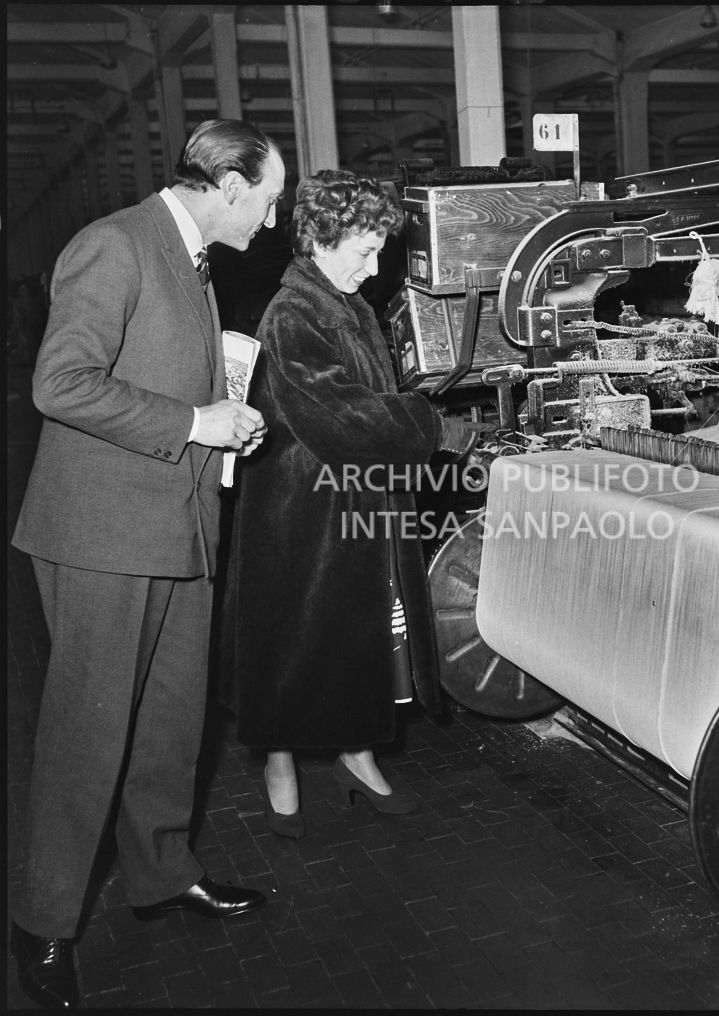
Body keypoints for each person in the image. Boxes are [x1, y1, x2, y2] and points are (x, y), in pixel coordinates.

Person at [9, 119, 285, 1010]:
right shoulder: (115, 245)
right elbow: (62, 385)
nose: (274, 221)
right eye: (271, 199)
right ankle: (43, 921)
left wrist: (221, 419)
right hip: (100, 536)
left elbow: (166, 383)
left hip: (178, 528)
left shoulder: (191, 256)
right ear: (230, 184)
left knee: (170, 722)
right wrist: (192, 425)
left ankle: (163, 874)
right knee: (87, 734)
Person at [219, 169, 479, 838]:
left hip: (354, 505)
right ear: (319, 239)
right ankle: (280, 763)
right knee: (294, 641)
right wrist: (434, 426)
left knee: (357, 642)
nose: (373, 265)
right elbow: (345, 416)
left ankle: (357, 754)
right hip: (299, 515)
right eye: (364, 250)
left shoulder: (352, 305)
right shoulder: (293, 313)